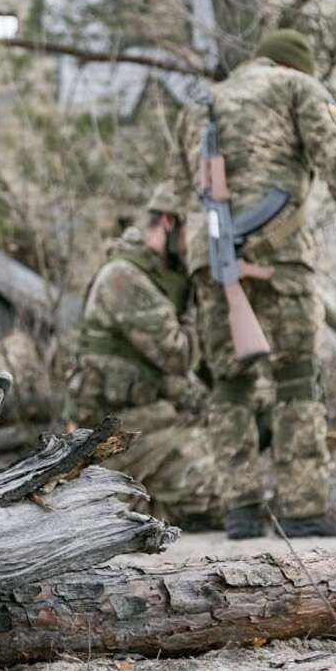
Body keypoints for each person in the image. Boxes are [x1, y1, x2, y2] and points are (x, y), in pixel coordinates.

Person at [173, 29, 336, 540]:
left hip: (210, 256)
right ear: (298, 65)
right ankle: (302, 508)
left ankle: (241, 509)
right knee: (297, 376)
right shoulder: (298, 87)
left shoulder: (200, 106)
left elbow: (183, 192)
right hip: (278, 254)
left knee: (230, 383)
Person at [69, 183, 224, 529]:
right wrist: (199, 299)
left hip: (149, 424)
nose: (200, 248)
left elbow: (174, 377)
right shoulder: (125, 278)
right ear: (170, 223)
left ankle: (148, 504)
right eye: (197, 233)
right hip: (120, 435)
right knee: (227, 497)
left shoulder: (159, 277)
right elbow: (178, 355)